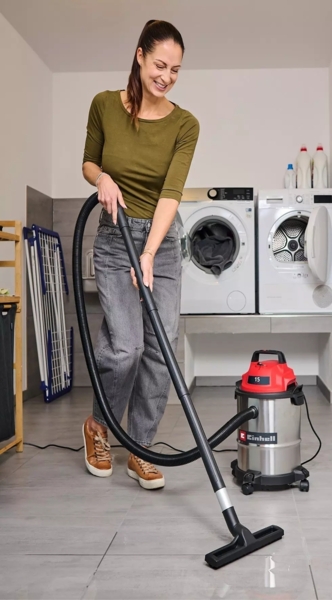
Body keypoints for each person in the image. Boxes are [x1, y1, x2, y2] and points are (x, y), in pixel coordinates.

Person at [81, 20, 199, 490]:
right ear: (140, 56)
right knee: (126, 346)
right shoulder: (104, 105)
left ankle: (141, 447)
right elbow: (89, 160)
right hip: (115, 239)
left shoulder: (185, 124)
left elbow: (171, 192)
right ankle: (99, 427)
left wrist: (149, 253)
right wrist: (101, 178)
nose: (166, 76)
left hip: (162, 244)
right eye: (160, 65)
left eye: (175, 70)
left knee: (161, 348)